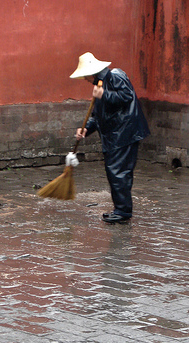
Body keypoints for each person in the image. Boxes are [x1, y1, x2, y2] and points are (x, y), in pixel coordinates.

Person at [69, 52, 150, 223]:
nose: (84, 79)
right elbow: (99, 114)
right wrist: (86, 129)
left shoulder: (115, 76)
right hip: (116, 135)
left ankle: (123, 211)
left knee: (118, 172)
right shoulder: (101, 83)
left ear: (91, 72)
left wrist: (104, 94)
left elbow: (126, 96)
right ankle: (121, 209)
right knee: (115, 172)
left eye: (85, 76)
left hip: (124, 133)